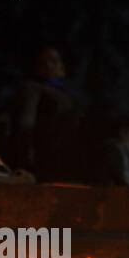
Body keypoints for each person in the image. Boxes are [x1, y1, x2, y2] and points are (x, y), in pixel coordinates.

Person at [9, 46, 81, 180]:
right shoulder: (33, 88)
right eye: (47, 61)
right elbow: (26, 122)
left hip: (68, 155)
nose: (51, 65)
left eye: (56, 61)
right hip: (47, 156)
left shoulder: (66, 93)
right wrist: (27, 154)